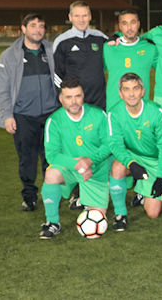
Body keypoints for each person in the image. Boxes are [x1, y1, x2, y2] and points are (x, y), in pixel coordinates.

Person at [0, 13, 58, 211]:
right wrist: (7, 115)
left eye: (41, 26)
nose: (38, 29)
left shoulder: (50, 50)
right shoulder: (10, 55)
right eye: (33, 26)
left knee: (52, 158)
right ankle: (29, 196)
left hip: (50, 115)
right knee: (27, 159)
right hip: (24, 116)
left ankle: (52, 195)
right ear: (23, 29)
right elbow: (1, 87)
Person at [39, 77, 111, 239]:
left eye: (77, 96)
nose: (74, 102)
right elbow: (52, 155)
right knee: (51, 174)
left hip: (95, 170)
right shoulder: (54, 121)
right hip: (70, 169)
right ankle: (52, 222)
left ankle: (85, 200)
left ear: (83, 96)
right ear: (61, 99)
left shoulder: (98, 115)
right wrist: (78, 164)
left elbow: (108, 145)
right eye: (68, 97)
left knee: (97, 219)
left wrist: (90, 161)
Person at [107, 73, 162, 230]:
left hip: (154, 160)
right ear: (120, 93)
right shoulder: (114, 113)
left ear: (143, 91)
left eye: (135, 88)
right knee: (117, 167)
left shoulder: (156, 112)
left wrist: (160, 176)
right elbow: (115, 145)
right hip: (132, 155)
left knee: (152, 213)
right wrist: (132, 163)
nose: (131, 94)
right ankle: (120, 214)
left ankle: (143, 191)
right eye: (126, 89)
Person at [53, 0, 108, 110]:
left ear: (90, 16)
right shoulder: (62, 41)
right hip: (74, 102)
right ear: (70, 17)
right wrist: (66, 96)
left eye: (84, 15)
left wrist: (116, 37)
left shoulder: (100, 38)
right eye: (77, 16)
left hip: (99, 100)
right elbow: (56, 74)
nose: (81, 20)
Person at [103, 9, 157, 111]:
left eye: (133, 22)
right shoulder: (108, 47)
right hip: (114, 109)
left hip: (141, 109)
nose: (129, 27)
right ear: (119, 26)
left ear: (138, 24)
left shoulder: (150, 48)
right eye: (125, 23)